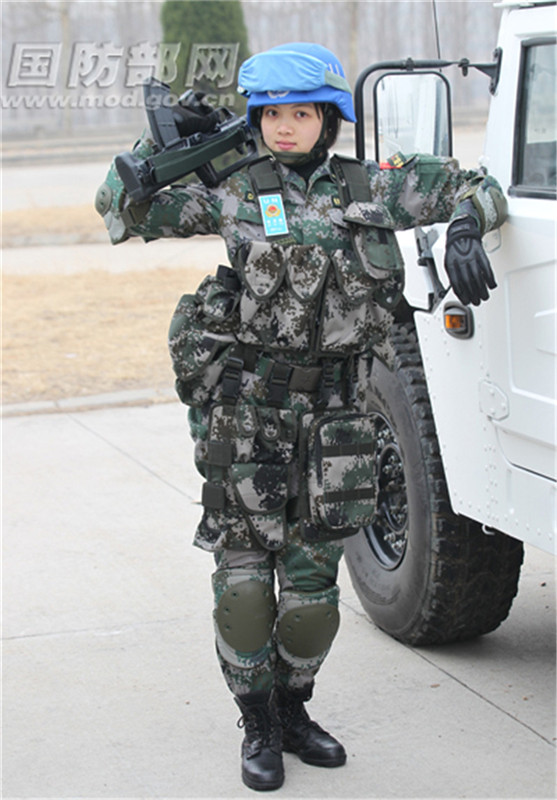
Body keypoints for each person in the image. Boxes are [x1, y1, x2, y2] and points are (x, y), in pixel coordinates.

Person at [96, 42, 506, 792]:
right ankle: (255, 721)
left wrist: (465, 227)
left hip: (337, 417)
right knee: (245, 582)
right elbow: (122, 209)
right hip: (248, 415)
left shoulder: (375, 187)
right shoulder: (232, 189)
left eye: (302, 113)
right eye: (272, 114)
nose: (285, 126)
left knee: (313, 588)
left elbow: (478, 186)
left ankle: (294, 708)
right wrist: (161, 145)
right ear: (257, 120)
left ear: (328, 119)